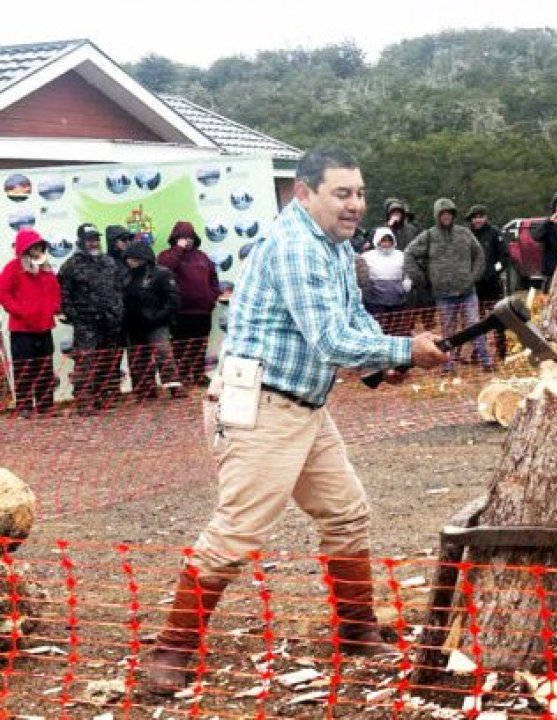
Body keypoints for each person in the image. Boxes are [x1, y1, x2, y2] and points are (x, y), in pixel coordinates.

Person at [142, 147, 449, 695]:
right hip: (259, 405)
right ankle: (170, 650)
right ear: (304, 193)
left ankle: (355, 632)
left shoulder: (333, 246)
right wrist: (405, 350)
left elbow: (351, 320)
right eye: (341, 193)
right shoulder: (293, 247)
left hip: (305, 405)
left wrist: (383, 361)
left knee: (346, 513)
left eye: (359, 193)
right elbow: (330, 339)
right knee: (237, 533)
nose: (355, 204)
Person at [405, 198, 490, 371]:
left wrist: (473, 277)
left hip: (467, 291)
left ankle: (486, 362)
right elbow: (409, 254)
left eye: (449, 213)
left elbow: (479, 254)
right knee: (448, 332)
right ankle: (447, 365)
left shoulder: (464, 233)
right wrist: (422, 279)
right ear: (437, 216)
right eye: (442, 214)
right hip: (444, 295)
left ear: (453, 214)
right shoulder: (429, 236)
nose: (446, 217)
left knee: (475, 326)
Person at [59, 223, 126, 414]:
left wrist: (117, 312)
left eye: (96, 239)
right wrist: (77, 318)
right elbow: (64, 298)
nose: (94, 243)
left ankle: (104, 396)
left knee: (108, 361)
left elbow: (118, 289)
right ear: (81, 242)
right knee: (85, 362)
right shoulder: (70, 266)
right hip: (86, 326)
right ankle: (84, 400)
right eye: (89, 239)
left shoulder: (109, 262)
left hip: (110, 323)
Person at [0, 228, 61, 418]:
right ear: (24, 249)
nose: (37, 251)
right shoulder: (12, 268)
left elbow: (55, 291)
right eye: (33, 247)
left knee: (45, 367)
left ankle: (45, 405)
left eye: (39, 247)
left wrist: (52, 307)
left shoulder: (46, 268)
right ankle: (25, 407)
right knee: (25, 369)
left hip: (44, 326)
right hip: (22, 328)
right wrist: (22, 311)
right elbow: (4, 293)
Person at [157, 221, 221, 386]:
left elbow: (213, 278)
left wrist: (212, 296)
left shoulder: (202, 256)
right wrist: (178, 249)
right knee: (181, 346)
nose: (188, 240)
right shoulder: (166, 255)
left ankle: (199, 375)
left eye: (190, 236)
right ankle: (184, 375)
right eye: (184, 237)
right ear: (176, 238)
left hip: (202, 311)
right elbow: (165, 269)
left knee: (201, 344)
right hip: (180, 312)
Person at [122, 240, 185, 399]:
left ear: (144, 257)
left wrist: (158, 317)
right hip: (134, 325)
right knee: (138, 358)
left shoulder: (161, 273)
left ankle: (174, 388)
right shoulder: (125, 276)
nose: (130, 261)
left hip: (157, 323)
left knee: (164, 354)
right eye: (128, 258)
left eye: (134, 258)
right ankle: (145, 390)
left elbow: (173, 300)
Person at [466, 204, 508, 359]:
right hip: (475, 285)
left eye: (480, 216)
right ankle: (478, 350)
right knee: (476, 319)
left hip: (493, 283)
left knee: (498, 316)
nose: (478, 220)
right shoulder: (468, 235)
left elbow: (504, 257)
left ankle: (501, 349)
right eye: (475, 217)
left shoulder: (495, 233)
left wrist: (494, 271)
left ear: (486, 217)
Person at [360, 227, 411, 335]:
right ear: (377, 241)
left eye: (389, 240)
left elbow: (407, 273)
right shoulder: (367, 256)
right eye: (383, 240)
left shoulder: (401, 255)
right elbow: (361, 276)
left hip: (398, 301)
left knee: (398, 330)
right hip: (375, 303)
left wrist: (407, 282)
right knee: (378, 330)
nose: (386, 243)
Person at [531, 192, 557, 292]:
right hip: (551, 273)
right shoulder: (549, 224)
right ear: (555, 207)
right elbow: (536, 236)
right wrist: (549, 221)